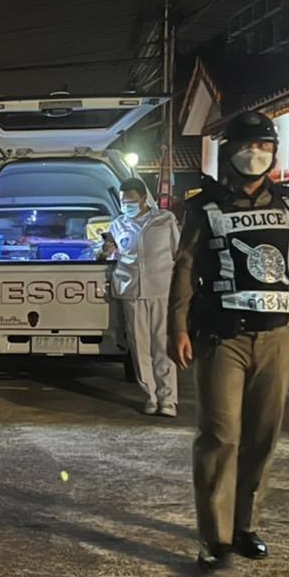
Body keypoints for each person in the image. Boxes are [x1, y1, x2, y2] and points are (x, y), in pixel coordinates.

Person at [169, 111, 289, 572]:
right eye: (249, 146)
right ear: (230, 153)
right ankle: (214, 537)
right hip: (222, 337)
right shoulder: (205, 206)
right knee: (220, 436)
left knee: (263, 437)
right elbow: (185, 266)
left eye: (265, 147)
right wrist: (177, 326)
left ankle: (246, 526)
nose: (256, 155)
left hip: (276, 339)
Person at [106, 177, 181, 416]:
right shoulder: (117, 225)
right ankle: (150, 395)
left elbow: (179, 252)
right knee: (139, 348)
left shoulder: (164, 219)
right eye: (123, 202)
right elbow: (109, 252)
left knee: (162, 345)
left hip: (161, 289)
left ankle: (168, 399)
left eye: (130, 201)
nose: (126, 205)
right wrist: (105, 250)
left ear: (142, 198)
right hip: (131, 291)